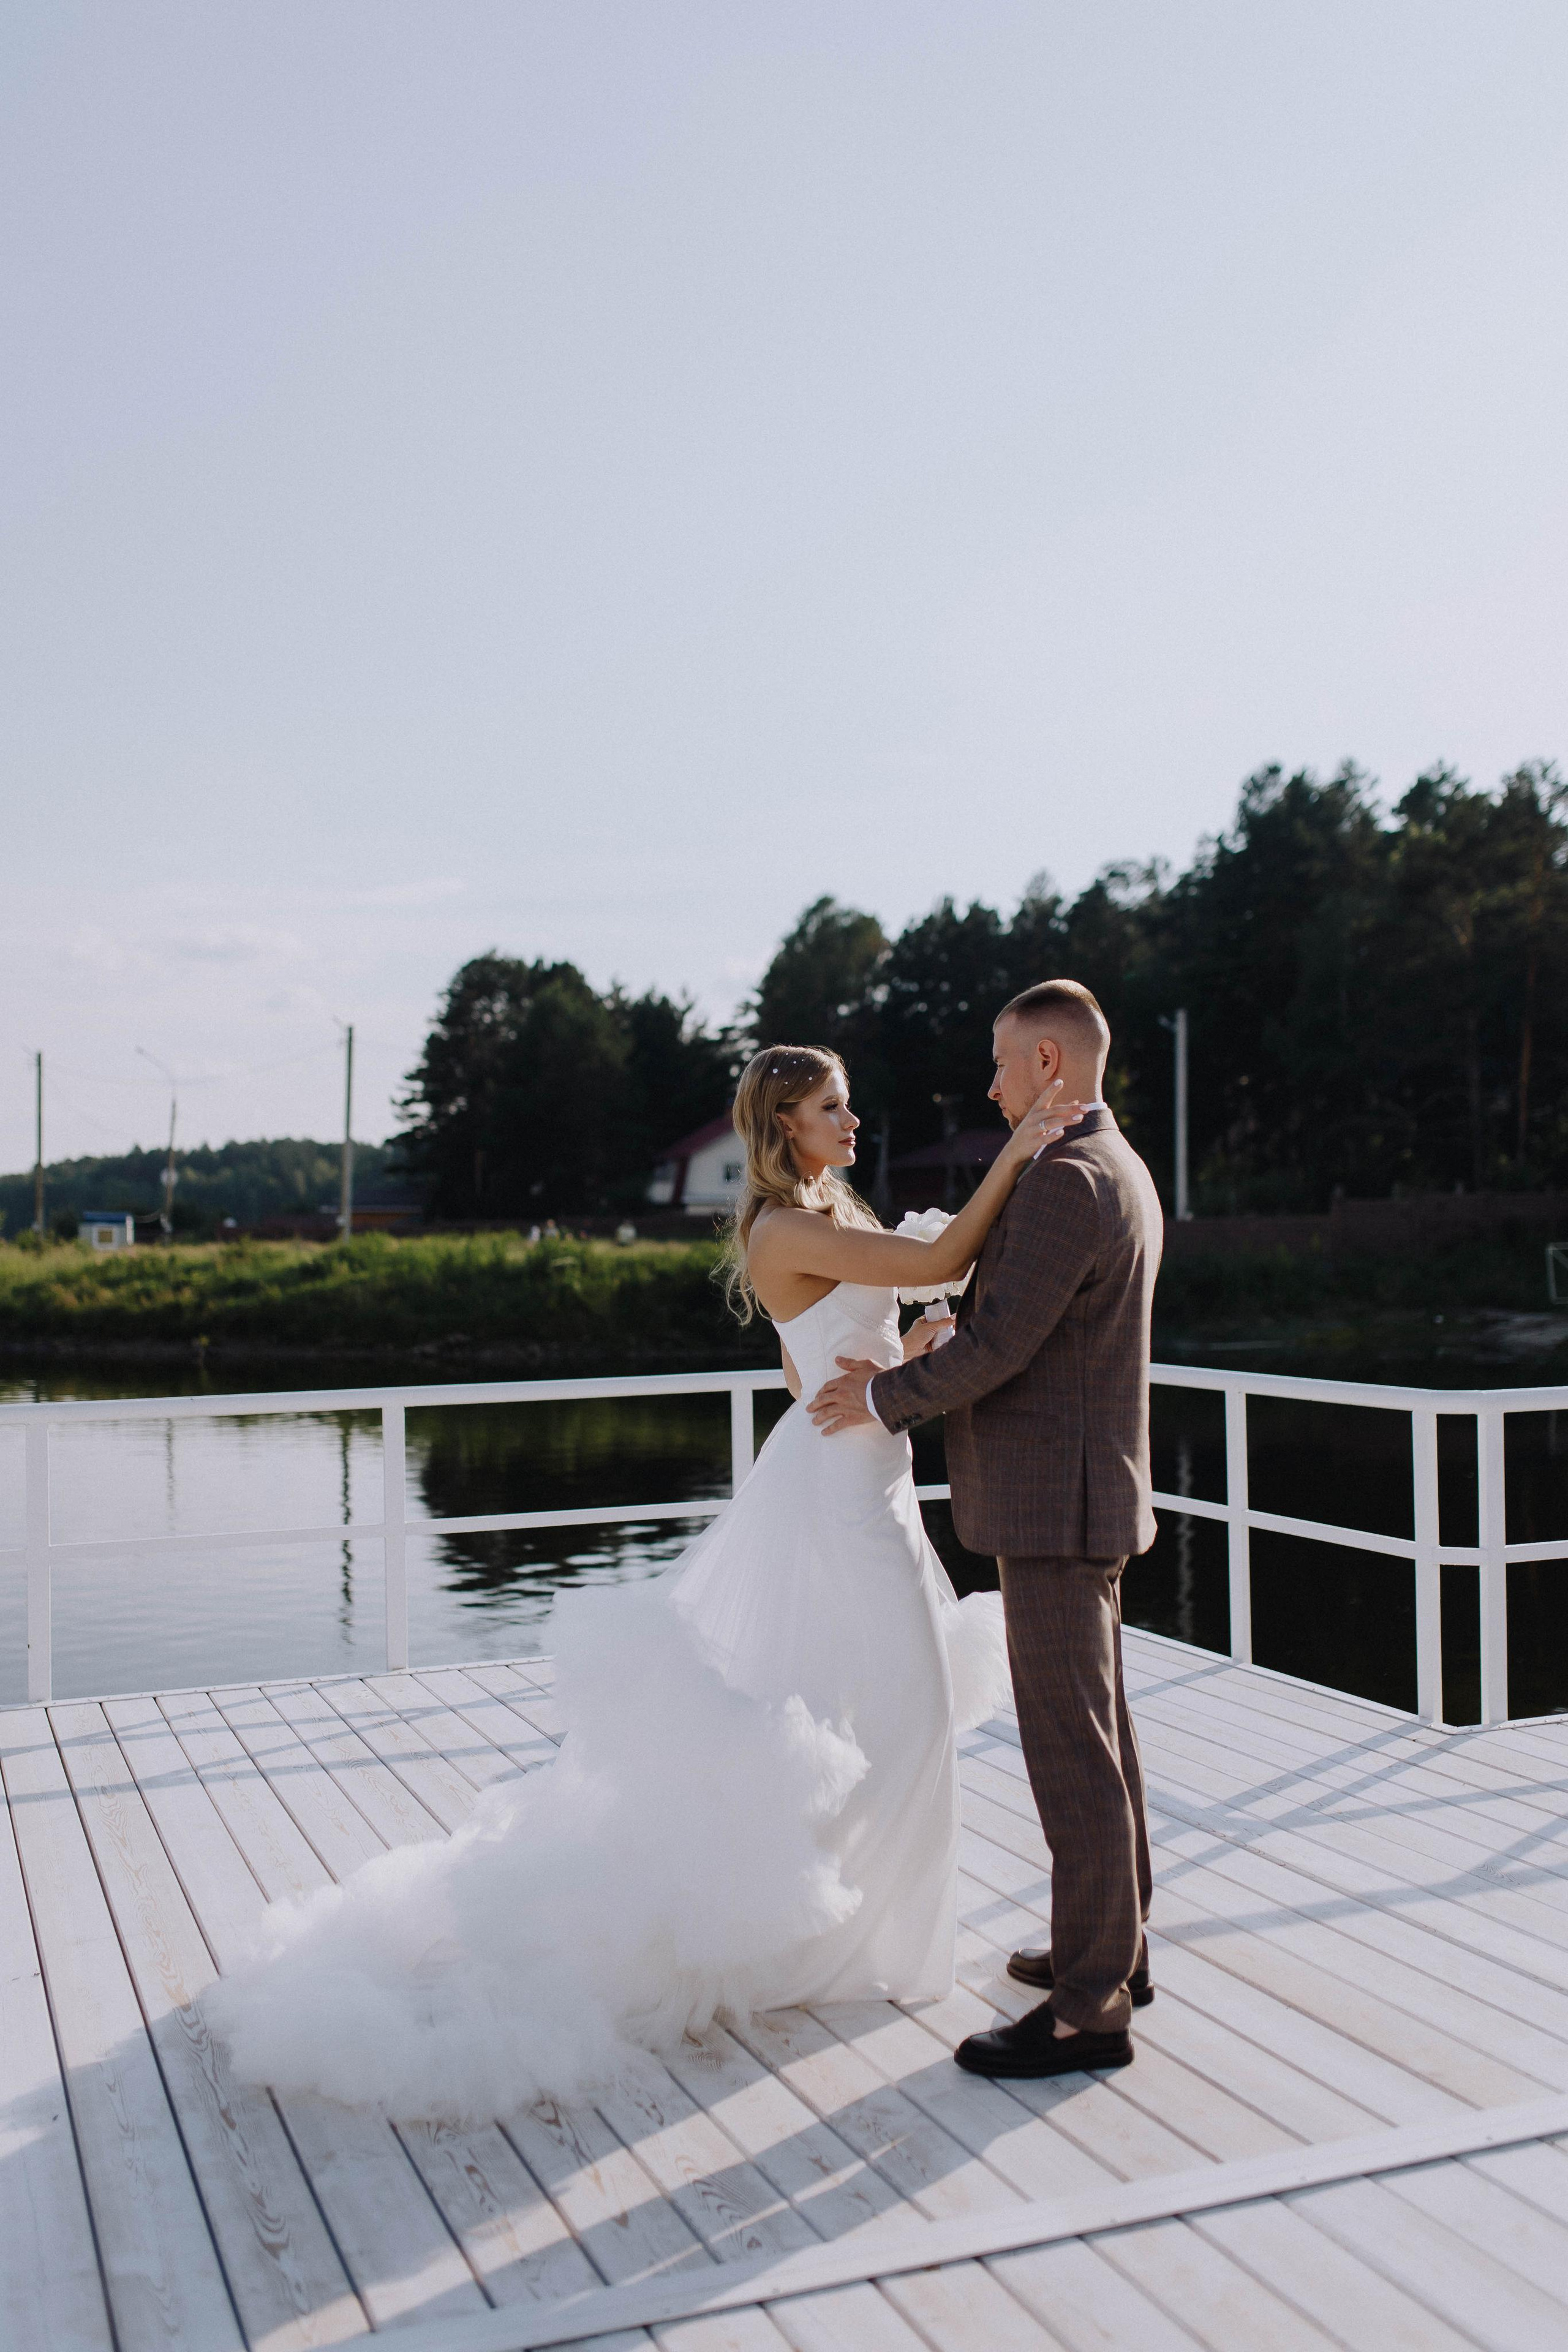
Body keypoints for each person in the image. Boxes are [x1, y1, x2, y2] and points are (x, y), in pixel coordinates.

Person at [205, 1042, 1079, 2122]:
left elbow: (813, 1367)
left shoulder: (828, 1207)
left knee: (873, 1710)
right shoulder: (783, 1226)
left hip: (865, 1477)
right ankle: (869, 1943)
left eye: (849, 1103)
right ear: (782, 1124)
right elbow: (948, 1246)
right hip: (844, 1502)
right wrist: (1022, 1146)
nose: (853, 1122)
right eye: (831, 1108)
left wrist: (913, 1351)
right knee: (912, 1709)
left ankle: (862, 1927)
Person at [809, 981, 1162, 2080]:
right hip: (1083, 1493)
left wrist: (876, 1397)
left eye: (1005, 1064)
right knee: (1099, 1736)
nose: (994, 1084)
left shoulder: (1061, 1179)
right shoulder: (1115, 1164)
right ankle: (1114, 1950)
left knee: (1072, 1751)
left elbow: (1006, 1349)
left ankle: (1089, 2013)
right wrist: (962, 1324)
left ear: (1051, 1061)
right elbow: (1032, 1324)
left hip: (1055, 1505)